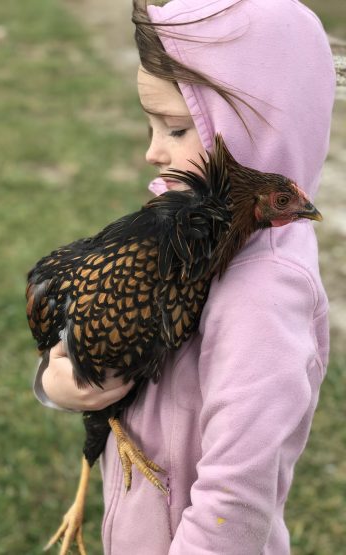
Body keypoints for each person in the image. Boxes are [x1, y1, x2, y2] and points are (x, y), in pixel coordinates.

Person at [33, 0, 336, 553]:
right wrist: (62, 382)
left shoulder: (263, 291)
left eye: (175, 129)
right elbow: (90, 341)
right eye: (151, 125)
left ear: (255, 136)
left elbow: (235, 497)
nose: (152, 152)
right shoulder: (183, 238)